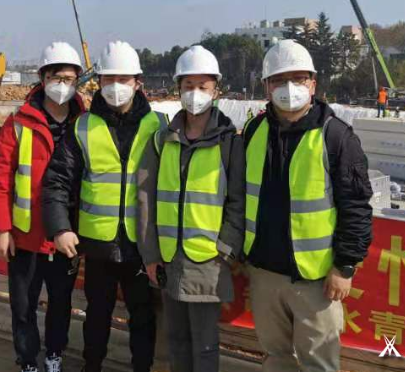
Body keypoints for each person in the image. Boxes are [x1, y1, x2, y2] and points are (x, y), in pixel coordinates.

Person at [243, 40, 373, 372]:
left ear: (313, 84)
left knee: (319, 363)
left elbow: (356, 207)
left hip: (316, 280)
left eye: (298, 79)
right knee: (275, 357)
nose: (289, 88)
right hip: (264, 273)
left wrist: (344, 266)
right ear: (266, 86)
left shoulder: (336, 137)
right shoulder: (254, 130)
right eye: (279, 80)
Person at [42, 41, 167, 372]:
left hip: (143, 245)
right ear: (98, 82)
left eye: (123, 79)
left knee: (143, 317)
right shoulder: (83, 126)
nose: (115, 86)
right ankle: (92, 366)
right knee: (97, 314)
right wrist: (60, 227)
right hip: (97, 244)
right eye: (108, 79)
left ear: (138, 82)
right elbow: (57, 180)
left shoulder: (159, 125)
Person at [137, 46, 245, 372]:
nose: (195, 93)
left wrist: (225, 250)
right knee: (176, 340)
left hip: (208, 261)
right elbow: (145, 199)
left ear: (216, 90)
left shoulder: (229, 142)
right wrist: (151, 254)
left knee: (205, 344)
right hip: (169, 258)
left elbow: (238, 201)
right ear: (178, 88)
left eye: (202, 86)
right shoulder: (162, 140)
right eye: (188, 86)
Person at [0, 42, 86, 372]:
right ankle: (28, 360)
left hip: (67, 236)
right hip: (25, 235)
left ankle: (55, 354)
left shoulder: (85, 123)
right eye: (56, 77)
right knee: (23, 305)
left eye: (69, 79)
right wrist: (2, 229)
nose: (63, 85)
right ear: (42, 79)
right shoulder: (19, 122)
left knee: (61, 303)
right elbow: (0, 176)